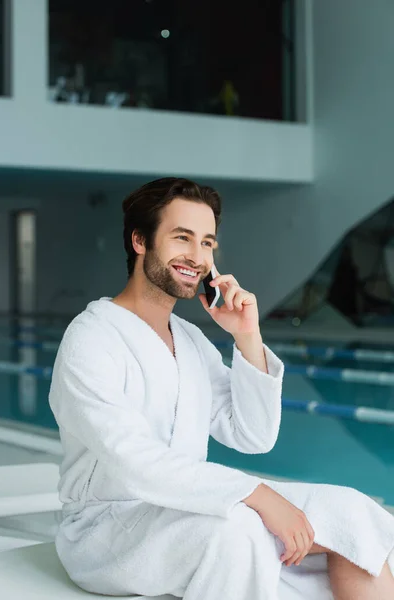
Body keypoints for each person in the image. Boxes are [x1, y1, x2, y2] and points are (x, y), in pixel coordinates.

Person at [49, 178, 394, 600]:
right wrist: (256, 494)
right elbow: (133, 460)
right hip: (105, 531)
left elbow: (253, 436)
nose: (197, 257)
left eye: (207, 243)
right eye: (182, 238)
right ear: (140, 241)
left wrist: (247, 335)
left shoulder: (190, 339)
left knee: (351, 513)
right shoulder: (91, 337)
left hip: (184, 510)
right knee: (241, 528)